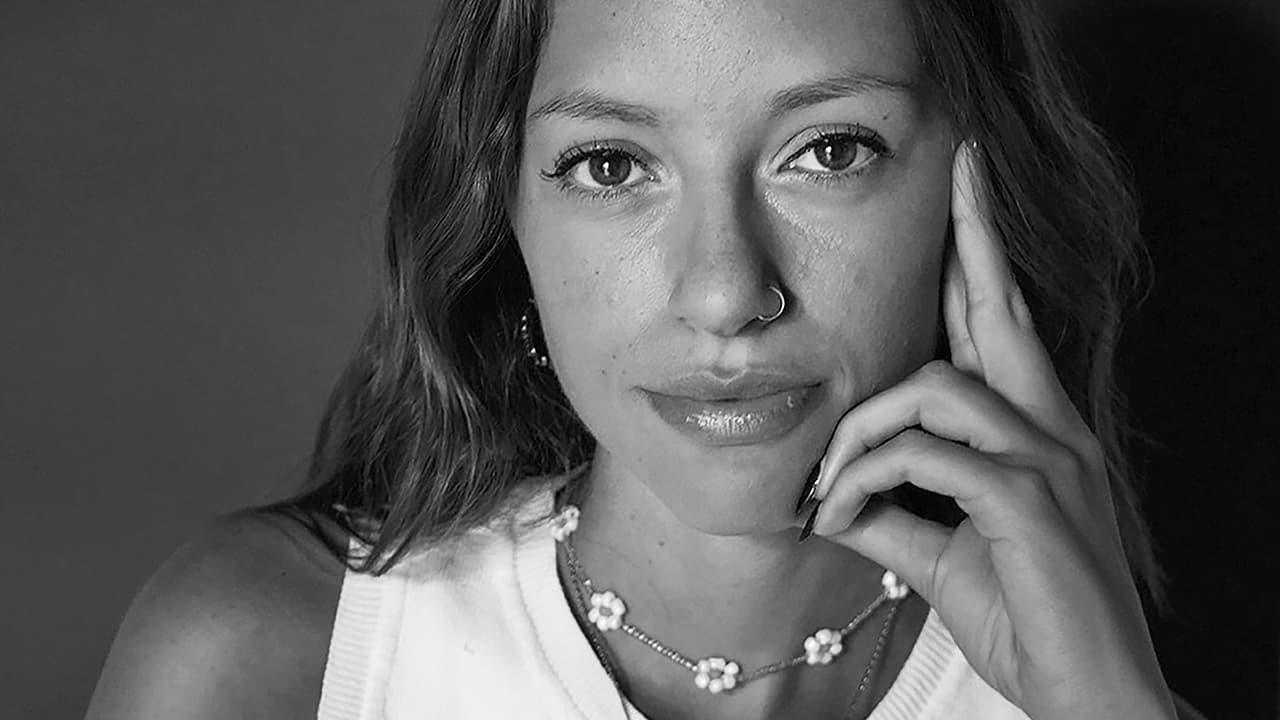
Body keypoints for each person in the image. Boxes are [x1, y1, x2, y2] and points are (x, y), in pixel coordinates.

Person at [87, 0, 1207, 718]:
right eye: (612, 166)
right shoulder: (270, 662)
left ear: (979, 192)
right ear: (506, 217)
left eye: (828, 150)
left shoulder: (1087, 694)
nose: (725, 292)